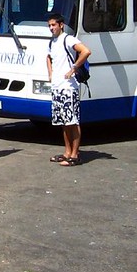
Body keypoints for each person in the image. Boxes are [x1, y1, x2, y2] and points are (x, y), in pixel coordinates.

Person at [46, 12, 91, 167]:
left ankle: (75, 154)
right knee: (64, 121)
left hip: (69, 87)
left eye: (53, 25)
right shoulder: (52, 42)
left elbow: (86, 51)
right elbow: (48, 57)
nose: (51, 28)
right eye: (49, 25)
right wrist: (51, 73)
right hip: (57, 87)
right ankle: (67, 151)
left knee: (72, 120)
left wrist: (73, 68)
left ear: (61, 25)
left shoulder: (68, 39)